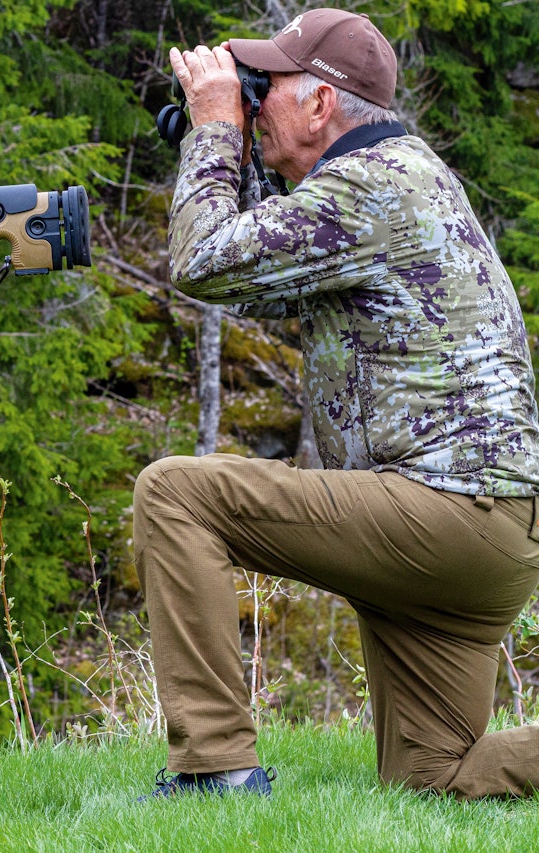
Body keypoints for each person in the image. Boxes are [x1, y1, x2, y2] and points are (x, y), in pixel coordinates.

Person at [137, 7, 539, 799]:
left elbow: (203, 261)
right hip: (488, 531)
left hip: (448, 511)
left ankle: (216, 768)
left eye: (267, 87)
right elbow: (251, 274)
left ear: (322, 104)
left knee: (176, 493)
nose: (254, 100)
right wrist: (231, 142)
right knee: (434, 777)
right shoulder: (395, 177)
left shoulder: (371, 185)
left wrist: (216, 130)